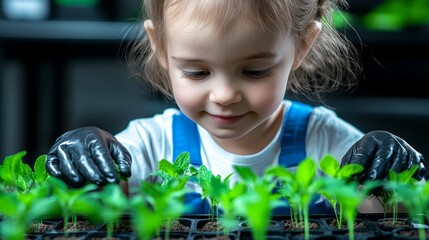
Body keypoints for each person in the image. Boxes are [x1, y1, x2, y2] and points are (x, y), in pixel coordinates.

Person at [46, 0, 425, 214]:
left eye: (254, 71)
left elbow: (385, 214)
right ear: (162, 48)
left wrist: (390, 174)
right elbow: (94, 208)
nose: (224, 94)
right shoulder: (152, 144)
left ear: (302, 46)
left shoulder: (324, 140)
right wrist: (86, 159)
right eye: (196, 72)